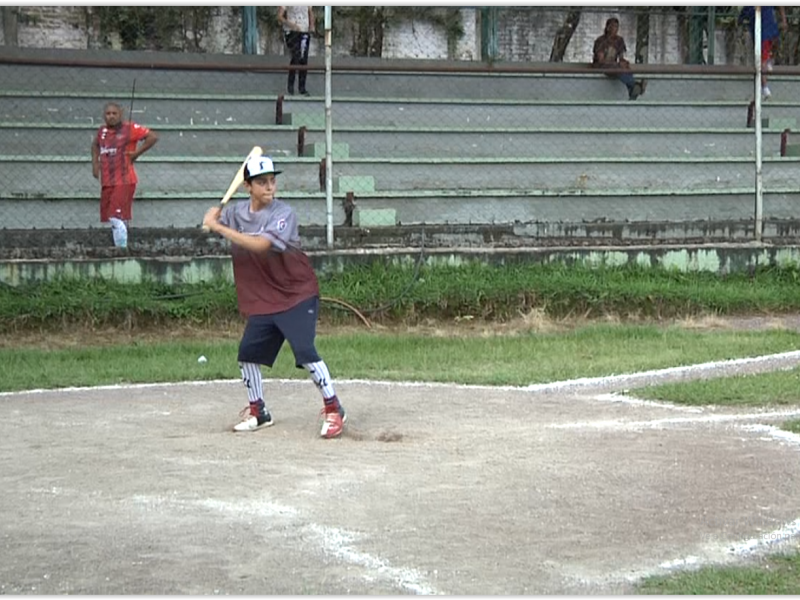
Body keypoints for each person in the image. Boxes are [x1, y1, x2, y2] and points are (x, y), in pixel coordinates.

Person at [201, 153, 346, 439]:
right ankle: (259, 411)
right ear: (248, 187)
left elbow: (261, 245)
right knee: (248, 355)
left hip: (296, 293)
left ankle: (333, 408)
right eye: (262, 182)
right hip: (265, 297)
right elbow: (216, 219)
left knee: (304, 351)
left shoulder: (283, 214)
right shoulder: (236, 213)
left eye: (272, 181)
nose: (269, 187)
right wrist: (213, 216)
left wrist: (218, 226)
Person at [91, 102, 158, 248]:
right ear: (104, 116)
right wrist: (95, 164)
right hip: (108, 180)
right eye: (108, 114)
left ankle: (121, 250)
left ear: (120, 114)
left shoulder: (129, 128)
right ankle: (119, 246)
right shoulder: (102, 131)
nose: (111, 116)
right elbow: (95, 145)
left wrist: (136, 154)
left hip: (125, 179)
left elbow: (152, 137)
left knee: (116, 216)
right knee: (112, 217)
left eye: (114, 113)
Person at [738, 6, 788, 100]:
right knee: (762, 59)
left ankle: (764, 86)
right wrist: (740, 20)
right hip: (761, 33)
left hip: (768, 31)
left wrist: (784, 19)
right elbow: (743, 14)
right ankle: (764, 87)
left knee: (766, 54)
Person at [592, 17, 647, 101]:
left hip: (613, 65)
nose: (615, 29)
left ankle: (632, 90)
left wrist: (624, 62)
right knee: (616, 68)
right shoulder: (601, 41)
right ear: (608, 28)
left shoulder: (619, 40)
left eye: (617, 26)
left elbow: (621, 57)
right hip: (601, 66)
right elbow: (600, 60)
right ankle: (635, 86)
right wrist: (617, 64)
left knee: (625, 67)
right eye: (613, 26)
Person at [277, 5, 315, 96]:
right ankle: (291, 86)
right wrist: (291, 25)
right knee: (296, 57)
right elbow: (279, 16)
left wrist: (312, 25)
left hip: (304, 31)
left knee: (303, 59)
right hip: (292, 32)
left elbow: (310, 12)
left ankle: (302, 88)